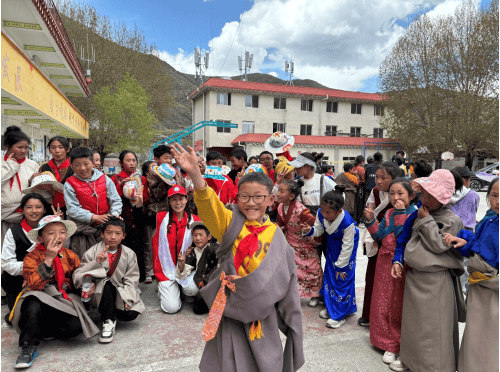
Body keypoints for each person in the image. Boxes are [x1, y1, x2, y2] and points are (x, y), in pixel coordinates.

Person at [171, 143, 304, 372]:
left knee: (265, 360)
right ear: (237, 197)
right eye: (245, 197)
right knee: (229, 361)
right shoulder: (230, 223)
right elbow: (210, 207)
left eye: (258, 197)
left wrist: (293, 326)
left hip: (262, 314)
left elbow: (287, 283)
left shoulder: (277, 237)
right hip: (230, 307)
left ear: (270, 201)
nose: (251, 203)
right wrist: (195, 174)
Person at [391, 169, 465, 372]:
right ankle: (410, 360)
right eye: (424, 193)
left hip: (436, 280)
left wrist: (425, 220)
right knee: (414, 326)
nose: (425, 199)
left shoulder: (452, 220)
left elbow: (439, 246)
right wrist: (397, 260)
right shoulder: (416, 214)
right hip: (414, 277)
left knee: (434, 328)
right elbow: (403, 240)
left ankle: (434, 366)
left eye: (431, 196)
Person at [10, 215, 99, 369]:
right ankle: (28, 345)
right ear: (40, 238)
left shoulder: (70, 255)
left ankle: (40, 328)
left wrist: (89, 284)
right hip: (40, 295)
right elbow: (35, 284)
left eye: (62, 232)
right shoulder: (32, 257)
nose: (58, 237)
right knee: (32, 302)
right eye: (51, 233)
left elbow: (79, 277)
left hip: (61, 299)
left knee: (76, 328)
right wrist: (49, 258)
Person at [444, 178, 499, 372]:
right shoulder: (488, 219)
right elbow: (475, 244)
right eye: (494, 195)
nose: (498, 201)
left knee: (491, 340)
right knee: (474, 334)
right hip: (478, 287)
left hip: (494, 291)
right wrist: (462, 241)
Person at [365, 179, 418, 365]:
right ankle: (381, 339)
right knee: (381, 300)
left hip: (400, 264)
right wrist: (371, 220)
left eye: (400, 193)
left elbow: (402, 237)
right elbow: (378, 236)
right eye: (392, 193)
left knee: (396, 303)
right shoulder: (387, 212)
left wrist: (402, 213)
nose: (395, 197)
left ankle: (394, 343)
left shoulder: (415, 214)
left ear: (411, 195)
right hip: (383, 262)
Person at [73, 217, 144, 344]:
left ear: (123, 236)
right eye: (109, 232)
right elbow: (78, 276)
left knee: (131, 314)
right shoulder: (92, 252)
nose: (113, 237)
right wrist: (96, 262)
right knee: (106, 284)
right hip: (98, 293)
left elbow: (131, 280)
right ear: (102, 234)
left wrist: (128, 298)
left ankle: (109, 311)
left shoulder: (129, 254)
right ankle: (108, 321)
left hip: (119, 293)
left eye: (117, 233)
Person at [301, 186, 358, 329]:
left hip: (346, 249)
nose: (324, 214)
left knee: (341, 278)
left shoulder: (347, 222)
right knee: (330, 275)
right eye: (323, 210)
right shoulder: (321, 213)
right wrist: (310, 231)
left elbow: (348, 246)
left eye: (328, 212)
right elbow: (319, 229)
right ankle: (333, 306)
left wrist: (342, 265)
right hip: (332, 244)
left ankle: (339, 315)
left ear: (339, 211)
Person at [1, 194, 57, 325]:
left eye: (38, 207)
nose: (34, 211)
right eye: (29, 207)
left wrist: (58, 224)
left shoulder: (51, 228)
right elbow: (6, 262)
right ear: (22, 209)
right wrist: (31, 269)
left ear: (44, 210)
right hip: (19, 279)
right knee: (19, 320)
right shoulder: (13, 231)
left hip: (46, 276)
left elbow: (62, 252)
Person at [358, 161, 399, 327]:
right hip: (375, 236)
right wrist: (369, 216)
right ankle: (368, 314)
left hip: (392, 239)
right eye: (377, 177)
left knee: (388, 282)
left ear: (395, 179)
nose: (379, 181)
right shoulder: (375, 191)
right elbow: (370, 208)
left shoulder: (398, 193)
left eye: (384, 178)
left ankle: (384, 319)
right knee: (372, 276)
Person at [64, 147, 122, 258]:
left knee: (104, 257)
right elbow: (72, 209)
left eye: (86, 164)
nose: (82, 168)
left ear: (93, 163)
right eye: (77, 165)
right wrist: (94, 217)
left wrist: (114, 215)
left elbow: (115, 199)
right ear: (71, 166)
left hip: (102, 227)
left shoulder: (104, 179)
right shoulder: (70, 183)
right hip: (82, 230)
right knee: (83, 259)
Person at [152, 185, 201, 313]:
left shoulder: (195, 220)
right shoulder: (160, 218)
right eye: (174, 199)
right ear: (169, 201)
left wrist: (193, 248)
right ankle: (168, 289)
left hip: (186, 268)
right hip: (165, 270)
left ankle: (182, 290)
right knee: (171, 308)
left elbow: (202, 242)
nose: (178, 202)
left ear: (186, 199)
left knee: (193, 290)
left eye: (181, 198)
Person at [276, 179, 323, 306]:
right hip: (289, 242)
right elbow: (280, 223)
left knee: (311, 269)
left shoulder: (301, 210)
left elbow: (316, 226)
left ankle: (314, 295)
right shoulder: (280, 207)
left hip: (304, 244)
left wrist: (316, 240)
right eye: (278, 190)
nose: (278, 193)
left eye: (281, 191)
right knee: (292, 270)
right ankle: (293, 294)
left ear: (291, 196)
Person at [110, 150, 148, 282]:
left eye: (134, 160)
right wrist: (120, 186)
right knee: (123, 244)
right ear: (121, 163)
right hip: (123, 215)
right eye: (128, 160)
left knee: (139, 245)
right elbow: (111, 197)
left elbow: (146, 197)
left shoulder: (142, 178)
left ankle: (138, 278)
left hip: (138, 214)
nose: (132, 163)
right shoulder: (115, 179)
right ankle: (122, 276)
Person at [2, 126, 39, 244]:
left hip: (25, 214)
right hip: (4, 214)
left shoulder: (32, 165)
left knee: (24, 247)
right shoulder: (1, 164)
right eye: (19, 147)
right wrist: (11, 166)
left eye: (26, 147)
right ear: (8, 147)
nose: (23, 151)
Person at [175, 221, 219, 315]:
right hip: (201, 281)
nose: (198, 238)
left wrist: (206, 282)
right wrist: (181, 265)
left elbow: (219, 268)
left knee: (199, 308)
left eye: (200, 235)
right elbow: (185, 270)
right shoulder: (194, 251)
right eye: (195, 235)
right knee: (190, 293)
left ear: (209, 236)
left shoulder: (215, 249)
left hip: (213, 282)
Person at [39, 136, 73, 214]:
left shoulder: (73, 167)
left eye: (61, 147)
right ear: (49, 150)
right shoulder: (43, 168)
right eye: (53, 147)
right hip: (47, 207)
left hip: (70, 208)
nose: (57, 151)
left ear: (67, 149)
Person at [450, 166, 480, 232]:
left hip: (449, 229)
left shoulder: (446, 193)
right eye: (469, 179)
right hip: (468, 231)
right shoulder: (473, 195)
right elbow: (474, 210)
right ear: (464, 179)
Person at [141, 160, 157, 283]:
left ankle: (156, 269)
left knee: (157, 243)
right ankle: (148, 270)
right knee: (148, 245)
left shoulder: (162, 182)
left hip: (159, 216)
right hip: (147, 216)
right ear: (146, 173)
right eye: (153, 169)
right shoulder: (143, 183)